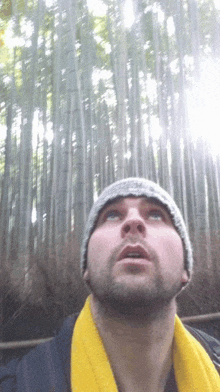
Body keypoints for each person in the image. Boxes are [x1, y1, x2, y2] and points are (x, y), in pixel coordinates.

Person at [0, 177, 219, 391]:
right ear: (86, 268)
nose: (133, 222)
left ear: (185, 269)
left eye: (155, 214)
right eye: (112, 215)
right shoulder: (17, 383)